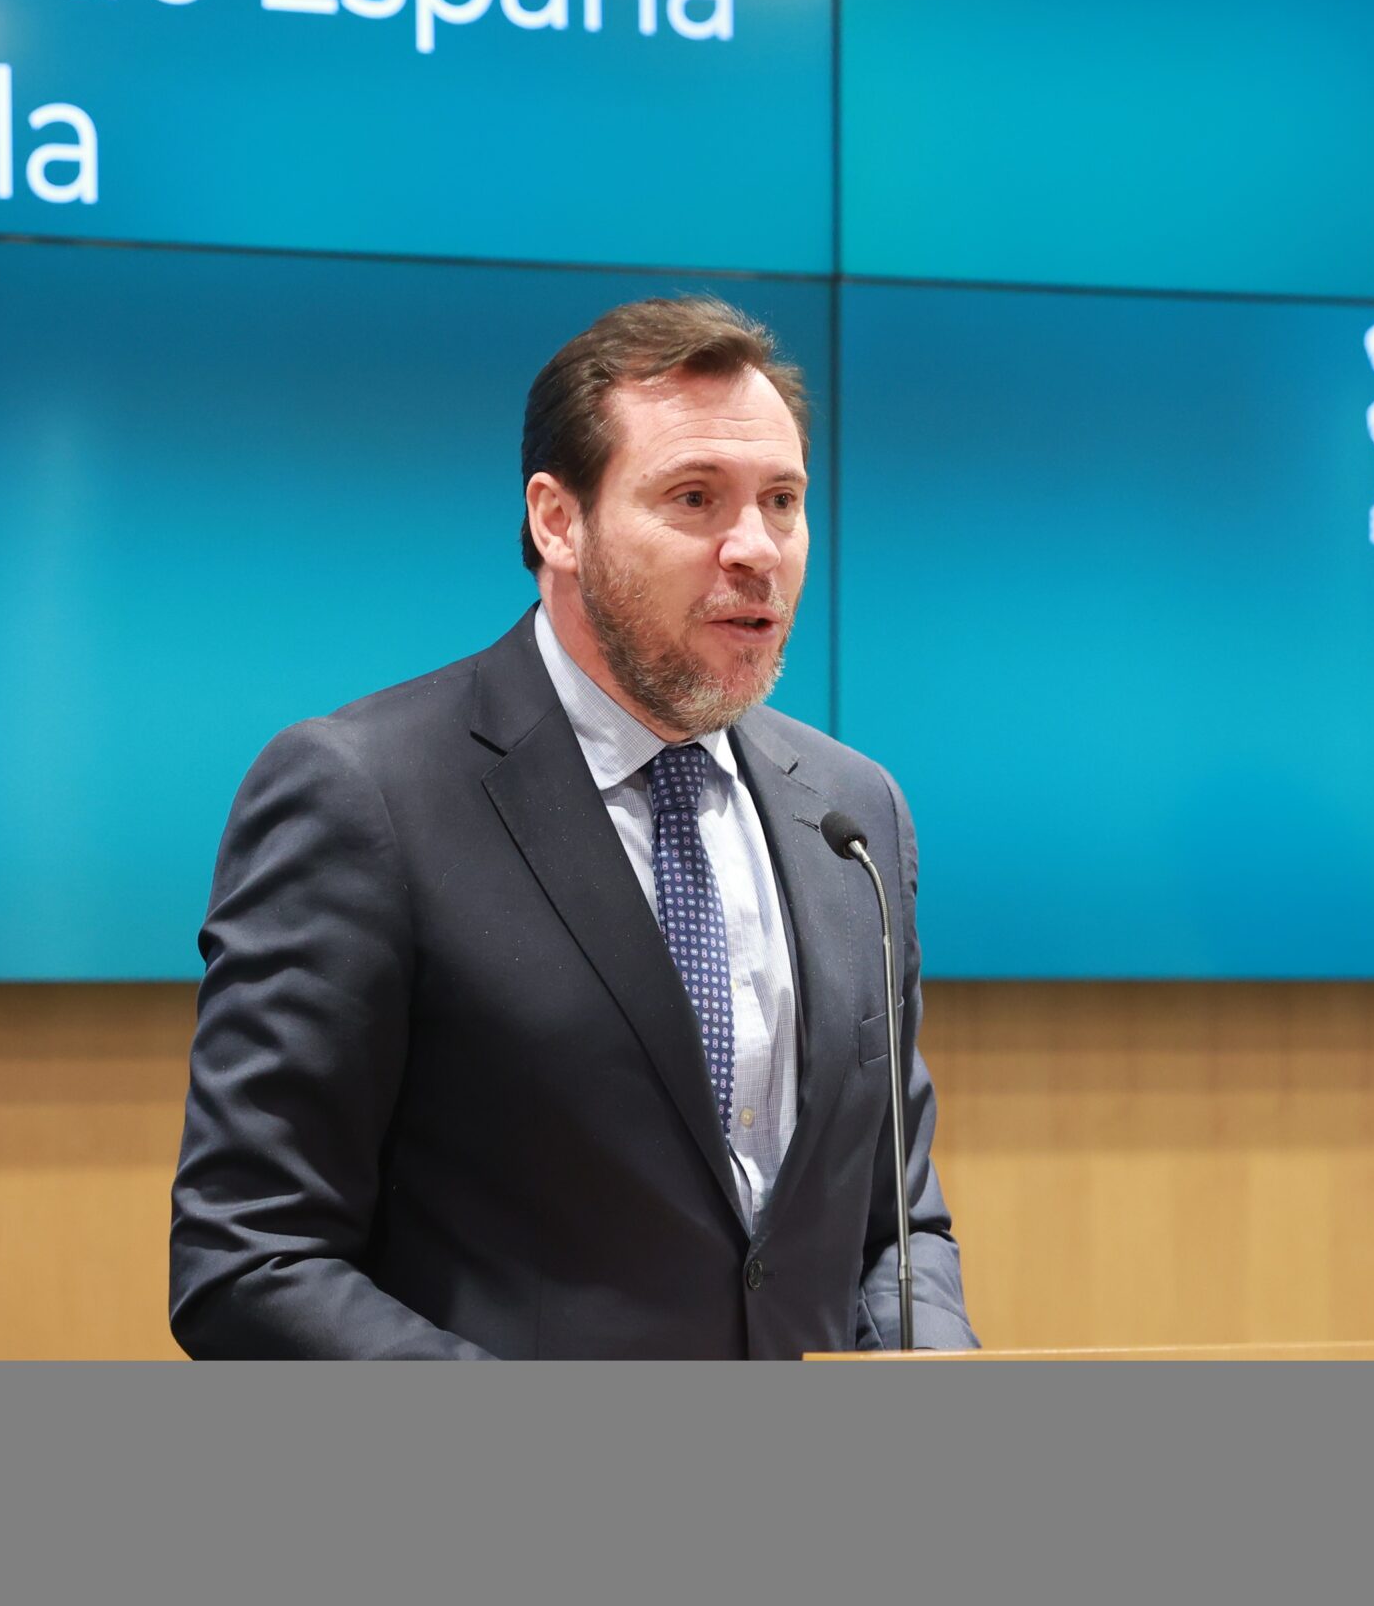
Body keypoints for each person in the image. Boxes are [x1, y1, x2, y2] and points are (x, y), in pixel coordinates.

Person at [168, 296, 976, 1358]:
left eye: (782, 501)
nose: (756, 549)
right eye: (695, 497)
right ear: (558, 521)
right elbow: (249, 1258)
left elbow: (895, 1224)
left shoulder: (853, 811)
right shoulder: (363, 795)